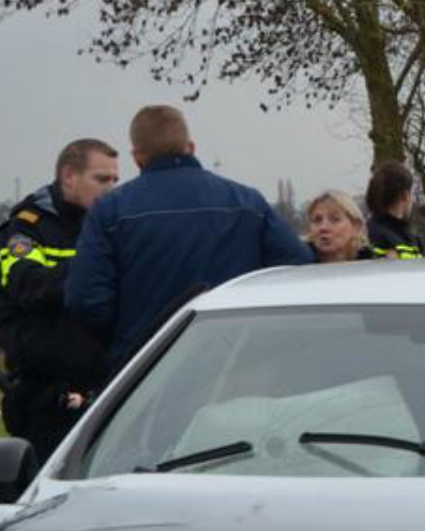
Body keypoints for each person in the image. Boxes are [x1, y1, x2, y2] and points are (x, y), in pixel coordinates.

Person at [65, 105, 312, 372]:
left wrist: (127, 334)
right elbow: (296, 267)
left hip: (146, 367)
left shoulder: (110, 210)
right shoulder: (247, 202)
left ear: (137, 157)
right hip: (237, 361)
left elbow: (84, 298)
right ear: (191, 147)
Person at [0, 138, 118, 455]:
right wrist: (93, 265)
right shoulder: (24, 229)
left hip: (104, 385)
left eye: (116, 180)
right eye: (101, 179)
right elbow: (30, 288)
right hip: (45, 394)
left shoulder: (105, 225)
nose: (111, 188)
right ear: (69, 176)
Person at [364, 160, 425, 258]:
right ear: (405, 195)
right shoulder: (374, 235)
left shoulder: (411, 236)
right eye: (412, 194)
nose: (413, 201)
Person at [305, 190, 375, 262]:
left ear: (356, 227)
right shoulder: (298, 266)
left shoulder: (377, 266)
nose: (323, 227)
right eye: (317, 220)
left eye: (335, 219)